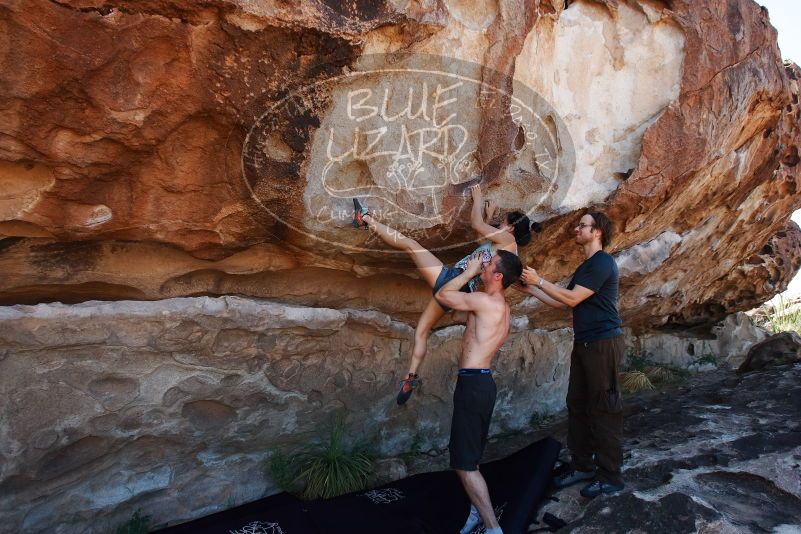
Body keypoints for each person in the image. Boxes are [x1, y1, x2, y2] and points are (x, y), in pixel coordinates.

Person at [351, 185, 531, 404]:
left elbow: (477, 225)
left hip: (453, 280)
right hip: (459, 289)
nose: (499, 224)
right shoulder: (505, 250)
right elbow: (479, 242)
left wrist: (477, 199)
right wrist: (490, 215)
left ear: (511, 228)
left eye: (502, 222)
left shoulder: (508, 242)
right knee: (422, 330)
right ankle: (411, 377)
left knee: (410, 245)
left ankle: (366, 218)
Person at [513, 211, 625, 498]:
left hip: (603, 344)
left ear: (597, 231)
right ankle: (582, 465)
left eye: (582, 226)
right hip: (586, 343)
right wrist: (529, 289)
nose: (577, 229)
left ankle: (610, 476)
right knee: (577, 403)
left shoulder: (602, 263)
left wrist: (539, 281)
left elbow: (572, 297)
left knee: (603, 407)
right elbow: (565, 304)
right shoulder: (587, 266)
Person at [436, 249, 522, 534]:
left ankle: (492, 527)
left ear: (498, 276)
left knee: (463, 463)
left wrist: (468, 272)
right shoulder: (500, 305)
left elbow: (443, 296)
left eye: (489, 264)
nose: (483, 264)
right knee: (469, 457)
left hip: (474, 385)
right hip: (481, 383)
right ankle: (476, 512)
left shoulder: (487, 303)